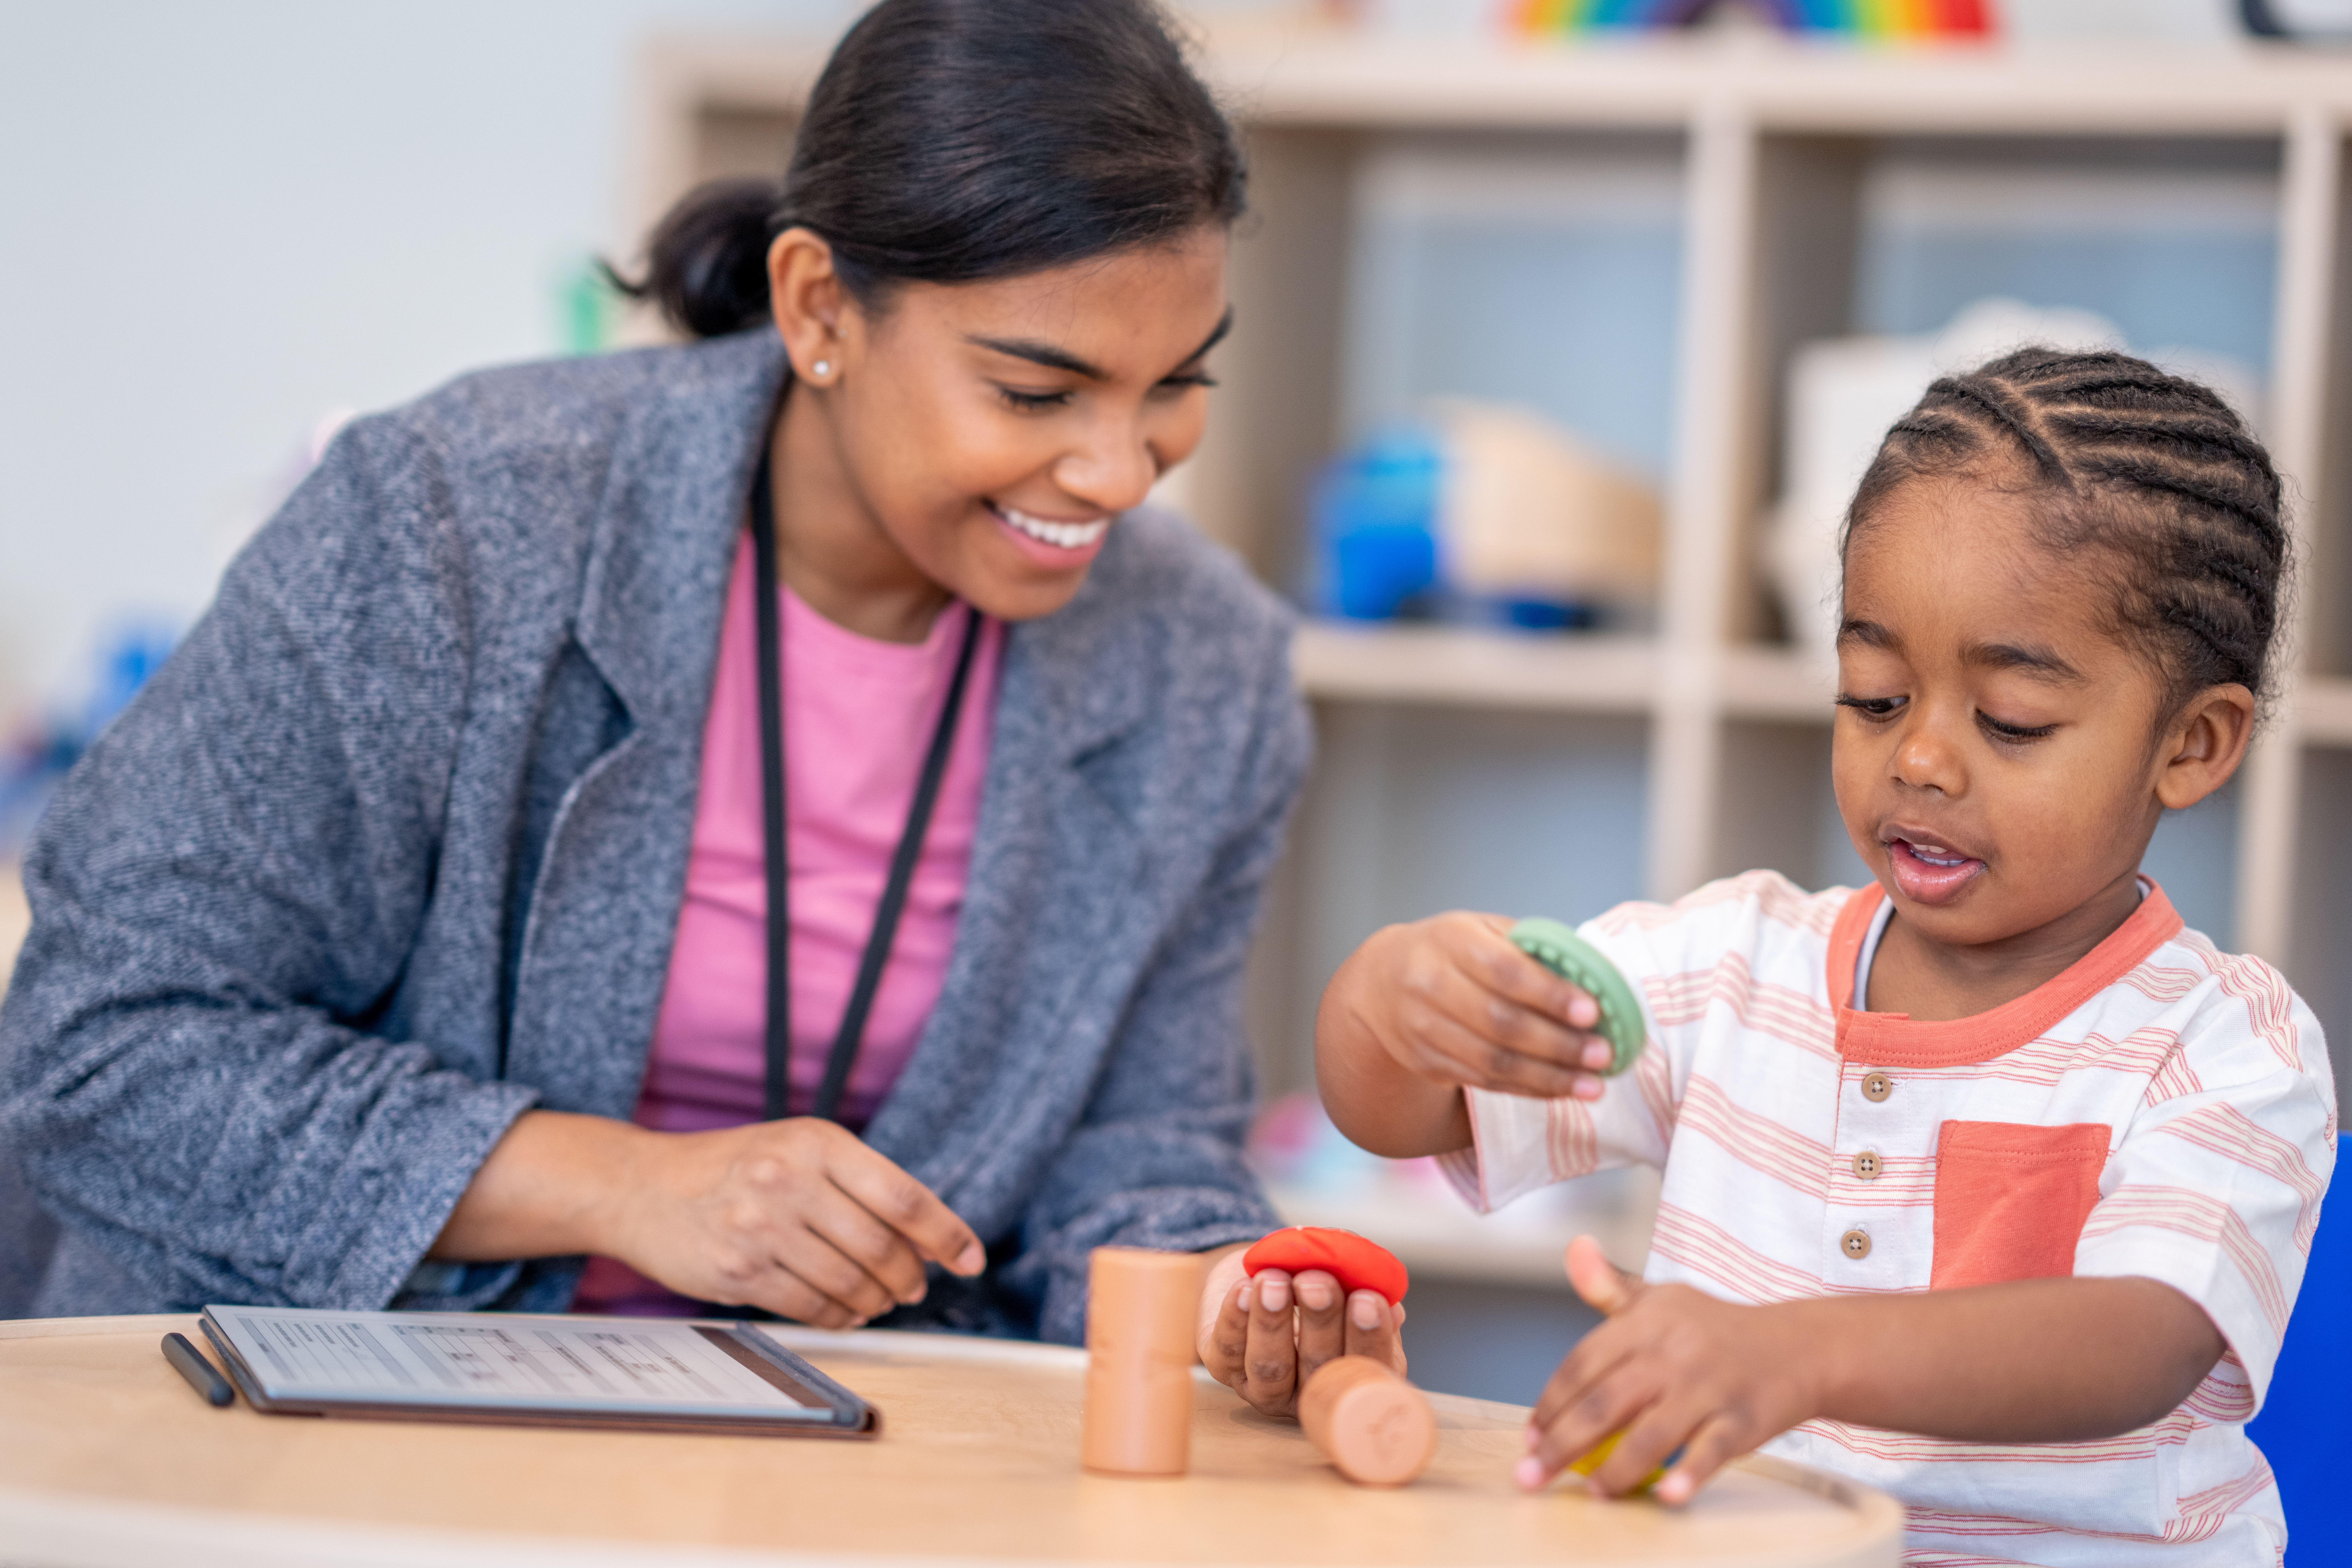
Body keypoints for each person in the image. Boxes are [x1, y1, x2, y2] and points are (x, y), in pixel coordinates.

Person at [0, 0, 1401, 1389]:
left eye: (1175, 383)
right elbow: (101, 1042)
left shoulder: (1204, 670)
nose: (1117, 471)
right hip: (294, 1414)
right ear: (817, 308)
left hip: (844, 1473)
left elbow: (1141, 1150)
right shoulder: (454, 523)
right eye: (1039, 393)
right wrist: (619, 1187)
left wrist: (1235, 1292)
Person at [1314, 348, 2333, 1560]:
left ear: (2194, 745)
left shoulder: (2225, 1042)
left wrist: (1792, 1352)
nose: (1921, 762)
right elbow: (1402, 1111)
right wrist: (1392, 1004)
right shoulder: (1730, 967)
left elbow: (2140, 1341)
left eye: (2010, 723)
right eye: (1875, 696)